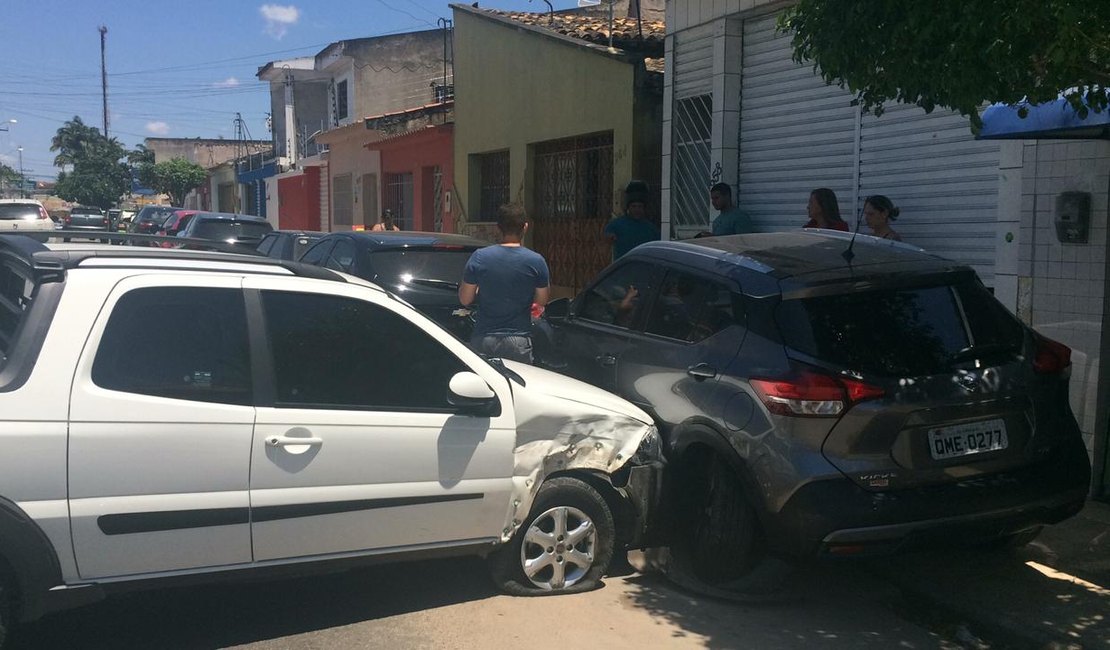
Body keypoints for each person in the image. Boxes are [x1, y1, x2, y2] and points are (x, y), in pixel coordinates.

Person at [458, 203, 550, 364]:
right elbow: (542, 300)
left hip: (484, 337)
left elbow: (465, 299)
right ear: (525, 227)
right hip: (519, 339)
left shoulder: (479, 257)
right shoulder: (536, 261)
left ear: (497, 228)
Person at [604, 180, 659, 259]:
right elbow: (608, 236)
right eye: (634, 206)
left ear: (644, 208)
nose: (637, 210)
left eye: (639, 207)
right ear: (628, 208)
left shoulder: (651, 229)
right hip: (623, 266)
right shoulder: (616, 224)